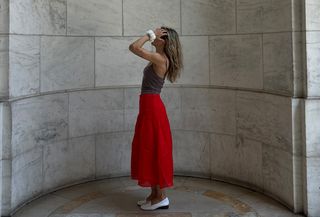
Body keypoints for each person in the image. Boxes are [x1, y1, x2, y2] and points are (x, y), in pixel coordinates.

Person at [128, 26, 183, 210]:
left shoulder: (160, 58)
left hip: (152, 108)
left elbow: (133, 47)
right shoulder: (158, 57)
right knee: (149, 148)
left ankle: (161, 197)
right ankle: (153, 195)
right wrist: (154, 37)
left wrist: (149, 34)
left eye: (160, 36)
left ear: (165, 41)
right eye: (156, 35)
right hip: (149, 107)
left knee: (154, 149)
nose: (156, 37)